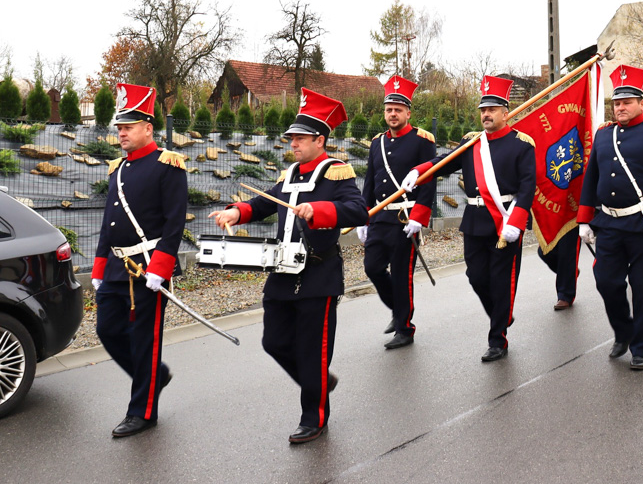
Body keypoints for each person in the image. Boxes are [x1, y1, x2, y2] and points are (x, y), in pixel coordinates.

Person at [209, 89, 367, 444]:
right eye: (291, 137)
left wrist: (321, 212)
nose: (292, 143)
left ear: (320, 139)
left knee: (313, 351)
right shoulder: (291, 173)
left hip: (319, 274)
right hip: (282, 273)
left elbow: (357, 210)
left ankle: (314, 416)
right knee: (274, 341)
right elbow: (265, 203)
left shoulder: (337, 173)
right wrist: (237, 211)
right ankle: (320, 381)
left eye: (300, 137)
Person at [401, 75, 535, 362]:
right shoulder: (472, 143)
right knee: (476, 277)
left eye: (492, 109)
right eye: (482, 109)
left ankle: (497, 338)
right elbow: (445, 162)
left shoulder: (522, 145)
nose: (486, 114)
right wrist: (420, 170)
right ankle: (502, 314)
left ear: (505, 112)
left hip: (504, 221)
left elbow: (528, 187)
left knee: (501, 281)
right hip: (475, 220)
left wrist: (517, 221)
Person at [91, 83, 188, 438]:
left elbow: (175, 222)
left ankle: (142, 412)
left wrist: (160, 268)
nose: (121, 133)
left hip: (148, 268)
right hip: (117, 267)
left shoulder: (168, 165)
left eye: (128, 126)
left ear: (148, 127)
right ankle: (154, 377)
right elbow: (108, 223)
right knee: (107, 330)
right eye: (119, 127)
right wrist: (99, 267)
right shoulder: (118, 168)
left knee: (145, 340)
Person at [576, 65, 643, 370]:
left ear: (641, 104)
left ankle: (641, 346)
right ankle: (623, 330)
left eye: (627, 102)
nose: (620, 108)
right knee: (606, 281)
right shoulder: (604, 135)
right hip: (608, 222)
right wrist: (584, 220)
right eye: (616, 103)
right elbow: (591, 178)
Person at [358, 75, 436, 348]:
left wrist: (419, 218)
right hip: (379, 218)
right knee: (372, 267)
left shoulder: (422, 141)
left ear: (408, 112)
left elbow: (428, 181)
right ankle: (397, 308)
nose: (393, 114)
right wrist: (363, 216)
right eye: (389, 109)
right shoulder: (377, 142)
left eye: (398, 110)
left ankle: (405, 328)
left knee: (402, 275)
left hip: (405, 219)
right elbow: (370, 180)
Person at [537, 229, 580, 310]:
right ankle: (571, 272)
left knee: (566, 254)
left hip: (569, 219)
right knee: (544, 252)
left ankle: (565, 296)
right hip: (549, 220)